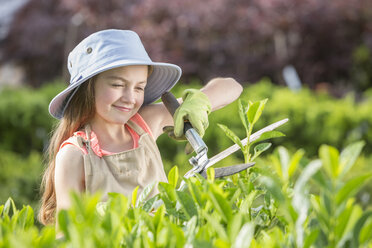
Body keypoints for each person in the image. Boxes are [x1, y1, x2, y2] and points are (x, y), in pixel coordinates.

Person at [38, 29, 242, 226]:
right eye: (117, 85)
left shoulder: (143, 124)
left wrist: (199, 102)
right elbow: (67, 235)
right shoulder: (75, 154)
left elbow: (232, 86)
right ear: (88, 88)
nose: (130, 98)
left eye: (139, 87)